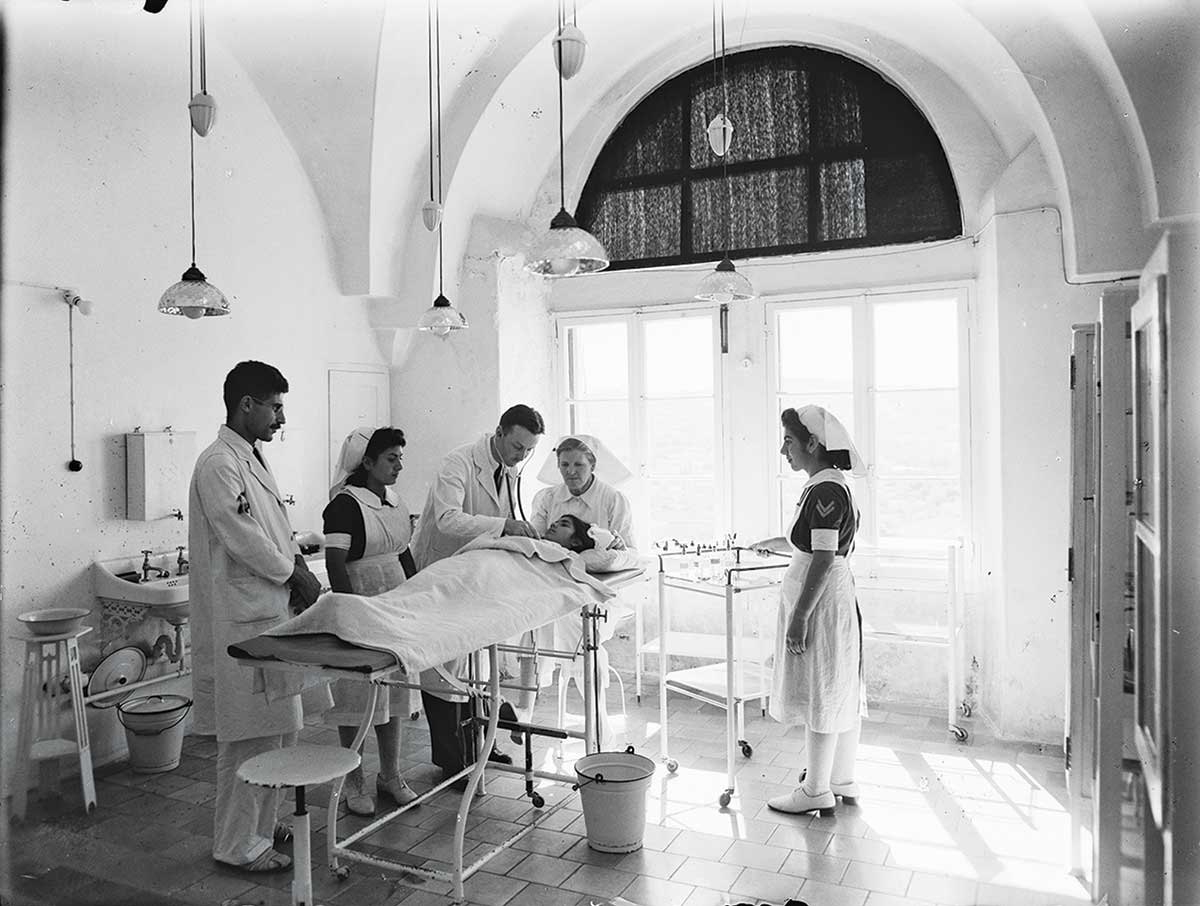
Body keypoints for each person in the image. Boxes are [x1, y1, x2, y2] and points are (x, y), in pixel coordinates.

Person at [189, 360, 332, 873]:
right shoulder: (218, 464)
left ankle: (263, 823)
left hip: (268, 611)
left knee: (280, 728)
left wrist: (292, 564)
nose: (281, 418)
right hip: (244, 616)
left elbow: (270, 530)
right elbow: (244, 538)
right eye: (274, 407)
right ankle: (235, 843)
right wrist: (294, 573)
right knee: (248, 736)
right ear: (245, 404)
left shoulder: (249, 456)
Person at [409, 404, 545, 784]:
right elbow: (447, 519)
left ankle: (481, 747)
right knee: (445, 670)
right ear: (499, 433)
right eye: (518, 447)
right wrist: (505, 525)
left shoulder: (507, 469)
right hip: (441, 575)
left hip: (474, 580)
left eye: (528, 450)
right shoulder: (458, 463)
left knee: (478, 667)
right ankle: (455, 760)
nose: (522, 457)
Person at [753, 405, 867, 817]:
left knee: (824, 687)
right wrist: (769, 543)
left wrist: (800, 617)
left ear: (813, 444)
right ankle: (841, 778)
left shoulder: (825, 491)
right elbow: (812, 544)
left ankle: (816, 789)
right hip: (828, 593)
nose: (783, 450)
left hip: (820, 600)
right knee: (837, 684)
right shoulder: (826, 486)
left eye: (788, 441)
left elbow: (821, 557)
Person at [322, 427, 420, 816]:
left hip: (394, 603)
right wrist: (351, 612)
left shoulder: (395, 502)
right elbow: (335, 564)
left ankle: (391, 775)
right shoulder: (345, 505)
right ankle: (353, 781)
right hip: (360, 599)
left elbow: (404, 554)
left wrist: (416, 597)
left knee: (394, 694)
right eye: (391, 458)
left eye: (400, 458)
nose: (399, 466)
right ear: (367, 462)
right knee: (358, 698)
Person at [521, 434, 637, 745]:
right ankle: (590, 727)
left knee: (579, 625)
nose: (571, 472)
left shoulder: (612, 500)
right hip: (553, 585)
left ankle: (589, 720)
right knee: (534, 618)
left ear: (593, 465)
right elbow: (537, 542)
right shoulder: (547, 499)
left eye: (578, 465)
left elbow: (628, 553)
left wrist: (596, 558)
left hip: (601, 593)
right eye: (564, 464)